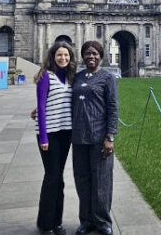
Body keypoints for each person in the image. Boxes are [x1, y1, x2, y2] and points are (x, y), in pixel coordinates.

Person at [71, 40, 118, 235]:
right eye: (87, 53)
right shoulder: (77, 77)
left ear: (101, 56)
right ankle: (86, 221)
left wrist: (110, 137)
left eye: (95, 53)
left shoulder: (107, 78)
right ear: (83, 56)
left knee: (102, 181)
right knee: (82, 181)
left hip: (99, 137)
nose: (91, 56)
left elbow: (113, 108)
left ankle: (103, 222)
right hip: (79, 137)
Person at [34, 41, 77, 235]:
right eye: (59, 55)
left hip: (65, 133)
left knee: (58, 178)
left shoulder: (70, 77)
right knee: (52, 178)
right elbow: (41, 106)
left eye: (66, 55)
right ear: (53, 56)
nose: (63, 58)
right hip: (49, 134)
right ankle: (45, 224)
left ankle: (56, 222)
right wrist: (43, 138)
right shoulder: (45, 75)